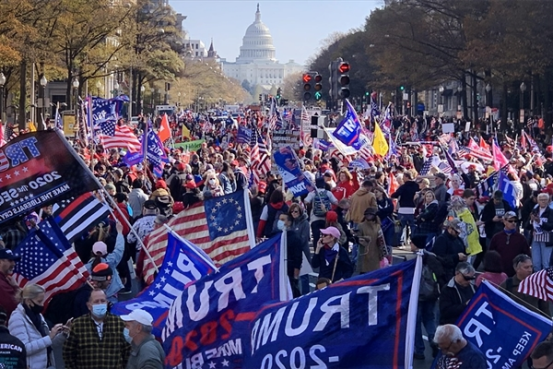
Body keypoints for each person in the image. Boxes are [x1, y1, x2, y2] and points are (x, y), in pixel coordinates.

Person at [63, 289, 130, 369]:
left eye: (102, 301)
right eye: (96, 301)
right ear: (89, 306)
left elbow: (127, 351)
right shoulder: (78, 324)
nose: (100, 304)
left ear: (107, 303)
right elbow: (68, 353)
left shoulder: (119, 323)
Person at [8, 284, 68, 368]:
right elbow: (22, 349)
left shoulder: (38, 316)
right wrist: (49, 337)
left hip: (46, 365)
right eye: (39, 301)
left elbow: (47, 344)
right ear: (28, 301)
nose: (42, 305)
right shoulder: (17, 318)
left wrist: (63, 334)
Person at [85, 221, 125, 304]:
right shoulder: (111, 261)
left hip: (95, 298)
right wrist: (120, 233)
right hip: (112, 297)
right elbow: (119, 249)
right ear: (106, 252)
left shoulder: (86, 268)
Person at [489, 211, 531, 277]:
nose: (513, 223)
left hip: (516, 273)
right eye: (510, 221)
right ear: (504, 221)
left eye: (515, 221)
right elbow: (491, 254)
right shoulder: (496, 237)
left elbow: (527, 254)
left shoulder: (521, 238)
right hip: (499, 272)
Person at [278, 213, 303, 297]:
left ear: (289, 222)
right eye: (279, 219)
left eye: (283, 220)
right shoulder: (276, 236)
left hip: (289, 270)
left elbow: (298, 258)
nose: (280, 222)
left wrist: (296, 276)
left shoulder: (294, 238)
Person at [356, 208, 388, 274]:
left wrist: (383, 253)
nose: (368, 216)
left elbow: (381, 241)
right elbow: (357, 239)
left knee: (373, 275)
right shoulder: (361, 226)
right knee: (363, 273)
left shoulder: (377, 226)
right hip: (363, 254)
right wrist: (363, 239)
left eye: (370, 214)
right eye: (367, 214)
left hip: (375, 254)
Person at [530, 193, 553, 271]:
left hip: (546, 239)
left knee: (545, 263)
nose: (543, 201)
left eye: (545, 200)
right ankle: (537, 280)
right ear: (538, 201)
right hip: (535, 238)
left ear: (548, 201)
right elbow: (527, 225)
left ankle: (545, 281)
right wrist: (531, 220)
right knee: (536, 263)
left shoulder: (551, 212)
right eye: (541, 200)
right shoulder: (534, 210)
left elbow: (550, 226)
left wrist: (539, 221)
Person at [0, 249, 21, 318]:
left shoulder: (5, 280)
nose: (14, 264)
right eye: (10, 260)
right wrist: (16, 287)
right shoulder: (1, 284)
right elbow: (15, 306)